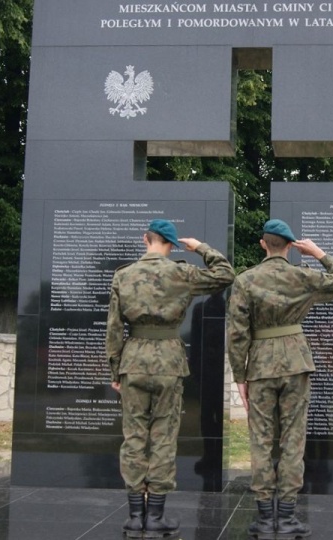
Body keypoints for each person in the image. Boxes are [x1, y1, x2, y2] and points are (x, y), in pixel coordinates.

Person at [105, 219, 235, 539]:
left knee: (134, 438)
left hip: (133, 362)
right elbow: (225, 274)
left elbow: (113, 328)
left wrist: (115, 370)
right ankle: (156, 516)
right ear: (172, 244)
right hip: (168, 363)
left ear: (145, 239)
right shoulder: (181, 273)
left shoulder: (123, 275)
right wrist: (200, 247)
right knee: (163, 437)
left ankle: (135, 517)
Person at [227, 219, 333, 539]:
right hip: (296, 362)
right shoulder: (302, 276)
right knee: (293, 439)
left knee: (261, 439)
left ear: (263, 244)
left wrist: (240, 375)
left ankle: (263, 515)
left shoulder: (245, 280)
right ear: (290, 246)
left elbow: (237, 334)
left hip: (260, 365)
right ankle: (286, 516)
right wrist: (317, 253)